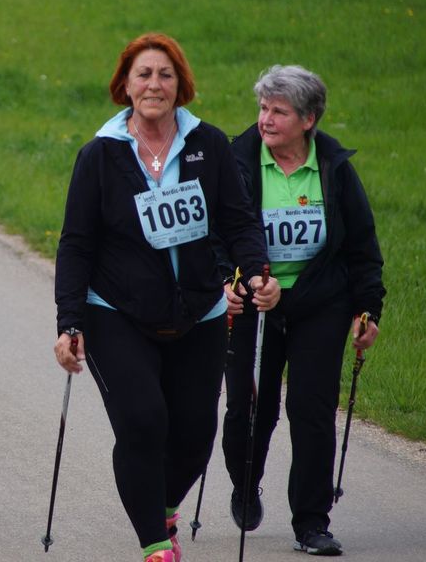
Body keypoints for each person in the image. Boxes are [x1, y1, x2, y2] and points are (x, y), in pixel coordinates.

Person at [53, 32, 280, 562]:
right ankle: (156, 544)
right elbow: (76, 244)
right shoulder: (100, 155)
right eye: (144, 74)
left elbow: (239, 221)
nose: (154, 84)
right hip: (117, 313)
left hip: (199, 312)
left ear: (181, 85)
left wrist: (258, 274)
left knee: (195, 436)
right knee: (142, 421)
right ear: (125, 86)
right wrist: (69, 322)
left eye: (165, 74)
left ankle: (162, 505)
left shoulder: (209, 145)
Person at [220, 65, 385, 556]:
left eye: (279, 111)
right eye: (263, 108)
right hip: (254, 302)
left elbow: (362, 244)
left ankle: (312, 523)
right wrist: (225, 284)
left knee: (311, 410)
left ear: (308, 119)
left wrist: (367, 309)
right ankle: (245, 482)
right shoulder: (237, 163)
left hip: (320, 304)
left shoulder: (333, 168)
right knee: (251, 408)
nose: (266, 120)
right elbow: (214, 237)